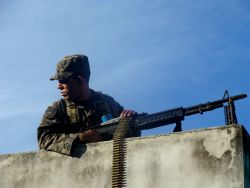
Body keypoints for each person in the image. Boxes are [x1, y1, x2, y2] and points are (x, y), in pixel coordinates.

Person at [37, 54, 140, 155]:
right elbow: (43, 139)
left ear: (79, 80)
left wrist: (129, 121)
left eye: (63, 81)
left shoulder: (107, 102)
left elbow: (130, 137)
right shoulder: (58, 108)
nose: (59, 86)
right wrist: (81, 138)